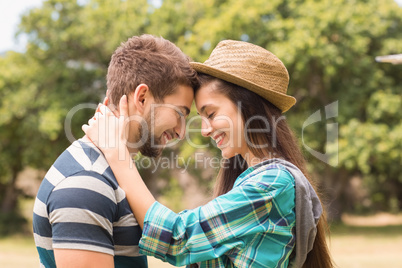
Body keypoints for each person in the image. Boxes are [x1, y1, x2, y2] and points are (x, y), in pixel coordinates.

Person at [83, 40, 334, 267]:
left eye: (211, 114)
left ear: (248, 106)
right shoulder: (251, 180)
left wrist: (117, 154)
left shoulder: (272, 184)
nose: (203, 130)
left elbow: (177, 237)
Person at [32, 34, 199, 268]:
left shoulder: (109, 170)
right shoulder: (86, 183)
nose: (182, 132)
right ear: (142, 98)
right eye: (179, 113)